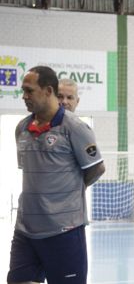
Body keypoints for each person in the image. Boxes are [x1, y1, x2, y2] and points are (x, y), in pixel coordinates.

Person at [7, 66, 105, 284]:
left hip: (64, 231)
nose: (24, 96)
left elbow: (96, 168)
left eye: (29, 91)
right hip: (25, 229)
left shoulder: (76, 128)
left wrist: (66, 195)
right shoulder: (21, 128)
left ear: (47, 90)